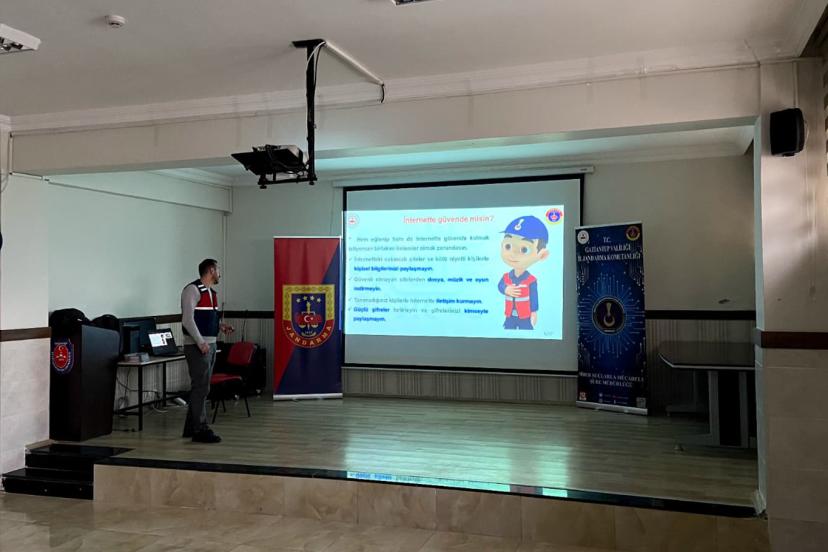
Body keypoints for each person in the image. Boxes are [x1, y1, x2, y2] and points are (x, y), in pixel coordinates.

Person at [181, 258, 234, 443]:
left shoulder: (211, 292)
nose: (220, 273)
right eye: (218, 270)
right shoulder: (192, 290)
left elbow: (205, 318)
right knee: (201, 387)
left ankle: (191, 427)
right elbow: (188, 320)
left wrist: (220, 326)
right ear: (211, 270)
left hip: (210, 344)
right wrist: (200, 342)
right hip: (198, 346)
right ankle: (200, 429)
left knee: (202, 387)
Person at [497, 216, 549, 330]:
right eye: (508, 246)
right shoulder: (506, 277)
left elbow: (534, 297)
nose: (512, 254)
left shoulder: (531, 280)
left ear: (542, 255)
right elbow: (500, 286)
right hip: (509, 316)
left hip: (525, 316)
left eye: (524, 249)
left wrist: (534, 312)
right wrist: (505, 289)